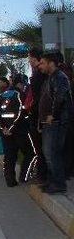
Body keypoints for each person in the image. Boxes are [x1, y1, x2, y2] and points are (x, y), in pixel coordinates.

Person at [38, 52, 73, 194]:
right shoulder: (50, 78)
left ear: (51, 63)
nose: (40, 66)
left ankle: (59, 184)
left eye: (42, 63)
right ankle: (52, 182)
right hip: (50, 123)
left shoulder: (59, 77)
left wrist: (54, 115)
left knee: (53, 153)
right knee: (49, 153)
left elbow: (60, 97)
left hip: (57, 122)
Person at [0, 74, 35, 187]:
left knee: (9, 156)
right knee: (31, 153)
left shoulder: (1, 96)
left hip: (6, 132)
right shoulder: (20, 95)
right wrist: (10, 128)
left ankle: (10, 181)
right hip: (20, 131)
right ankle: (23, 177)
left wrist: (3, 128)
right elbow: (21, 112)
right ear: (20, 84)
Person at [26, 48, 47, 183]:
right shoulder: (37, 75)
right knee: (40, 149)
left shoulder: (40, 76)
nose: (29, 62)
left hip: (40, 117)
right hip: (37, 115)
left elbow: (40, 97)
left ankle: (43, 176)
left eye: (31, 59)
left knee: (42, 149)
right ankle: (42, 175)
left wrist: (33, 111)